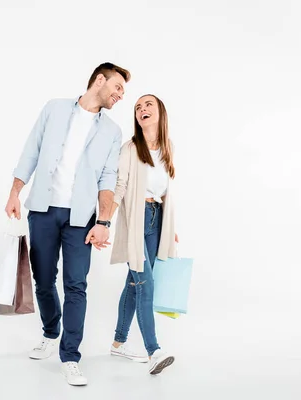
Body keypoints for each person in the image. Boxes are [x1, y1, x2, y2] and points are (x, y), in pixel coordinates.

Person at [5, 62, 131, 386]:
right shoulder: (55, 109)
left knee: (76, 285)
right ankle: (50, 332)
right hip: (43, 210)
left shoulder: (112, 132)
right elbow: (31, 150)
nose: (120, 95)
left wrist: (103, 221)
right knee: (43, 279)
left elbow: (107, 177)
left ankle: (71, 356)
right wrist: (15, 192)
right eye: (117, 87)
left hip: (80, 219)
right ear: (99, 80)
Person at [107, 94, 179, 375]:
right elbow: (120, 186)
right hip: (135, 220)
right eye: (137, 107)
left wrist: (171, 229)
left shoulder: (168, 147)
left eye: (148, 105)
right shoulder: (131, 148)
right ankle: (154, 351)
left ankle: (118, 342)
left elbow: (166, 192)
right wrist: (104, 222)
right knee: (144, 283)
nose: (142, 109)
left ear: (160, 112)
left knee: (133, 283)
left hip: (157, 219)